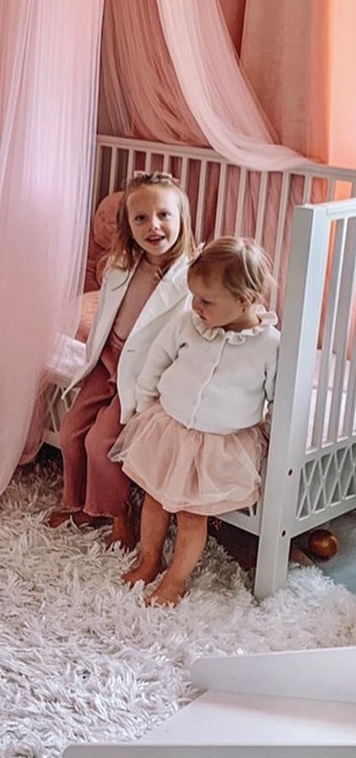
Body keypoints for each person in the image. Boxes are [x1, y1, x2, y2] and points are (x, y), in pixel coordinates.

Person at [118, 237, 280, 605]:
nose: (196, 306)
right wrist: (144, 403)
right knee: (155, 500)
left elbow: (276, 395)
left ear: (244, 300)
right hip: (170, 428)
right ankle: (149, 561)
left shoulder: (269, 345)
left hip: (217, 444)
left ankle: (176, 579)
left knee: (193, 515)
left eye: (206, 301)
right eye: (194, 296)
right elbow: (156, 361)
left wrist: (268, 433)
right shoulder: (187, 324)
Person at [49, 172, 194, 548]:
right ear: (129, 226)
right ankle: (82, 504)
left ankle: (119, 513)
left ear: (181, 218)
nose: (154, 226)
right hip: (108, 359)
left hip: (145, 371)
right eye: (141, 218)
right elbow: (106, 315)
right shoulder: (122, 264)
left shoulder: (191, 277)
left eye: (164, 215)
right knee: (71, 432)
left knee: (102, 442)